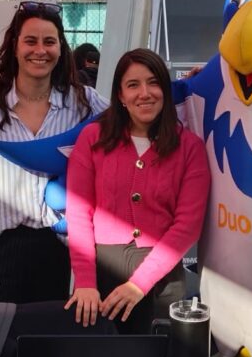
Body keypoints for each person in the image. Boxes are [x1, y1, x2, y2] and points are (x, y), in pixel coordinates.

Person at [0, 1, 108, 320]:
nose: (40, 50)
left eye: (49, 41)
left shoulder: (82, 102)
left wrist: (194, 84)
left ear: (61, 49)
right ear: (15, 46)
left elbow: (136, 114)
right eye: (31, 41)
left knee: (44, 344)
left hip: (56, 250)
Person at [64, 48, 209, 334]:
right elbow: (79, 214)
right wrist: (85, 282)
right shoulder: (93, 138)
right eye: (133, 85)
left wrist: (139, 284)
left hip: (163, 279)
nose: (145, 93)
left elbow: (188, 226)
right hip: (103, 277)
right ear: (120, 95)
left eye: (153, 83)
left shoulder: (190, 147)